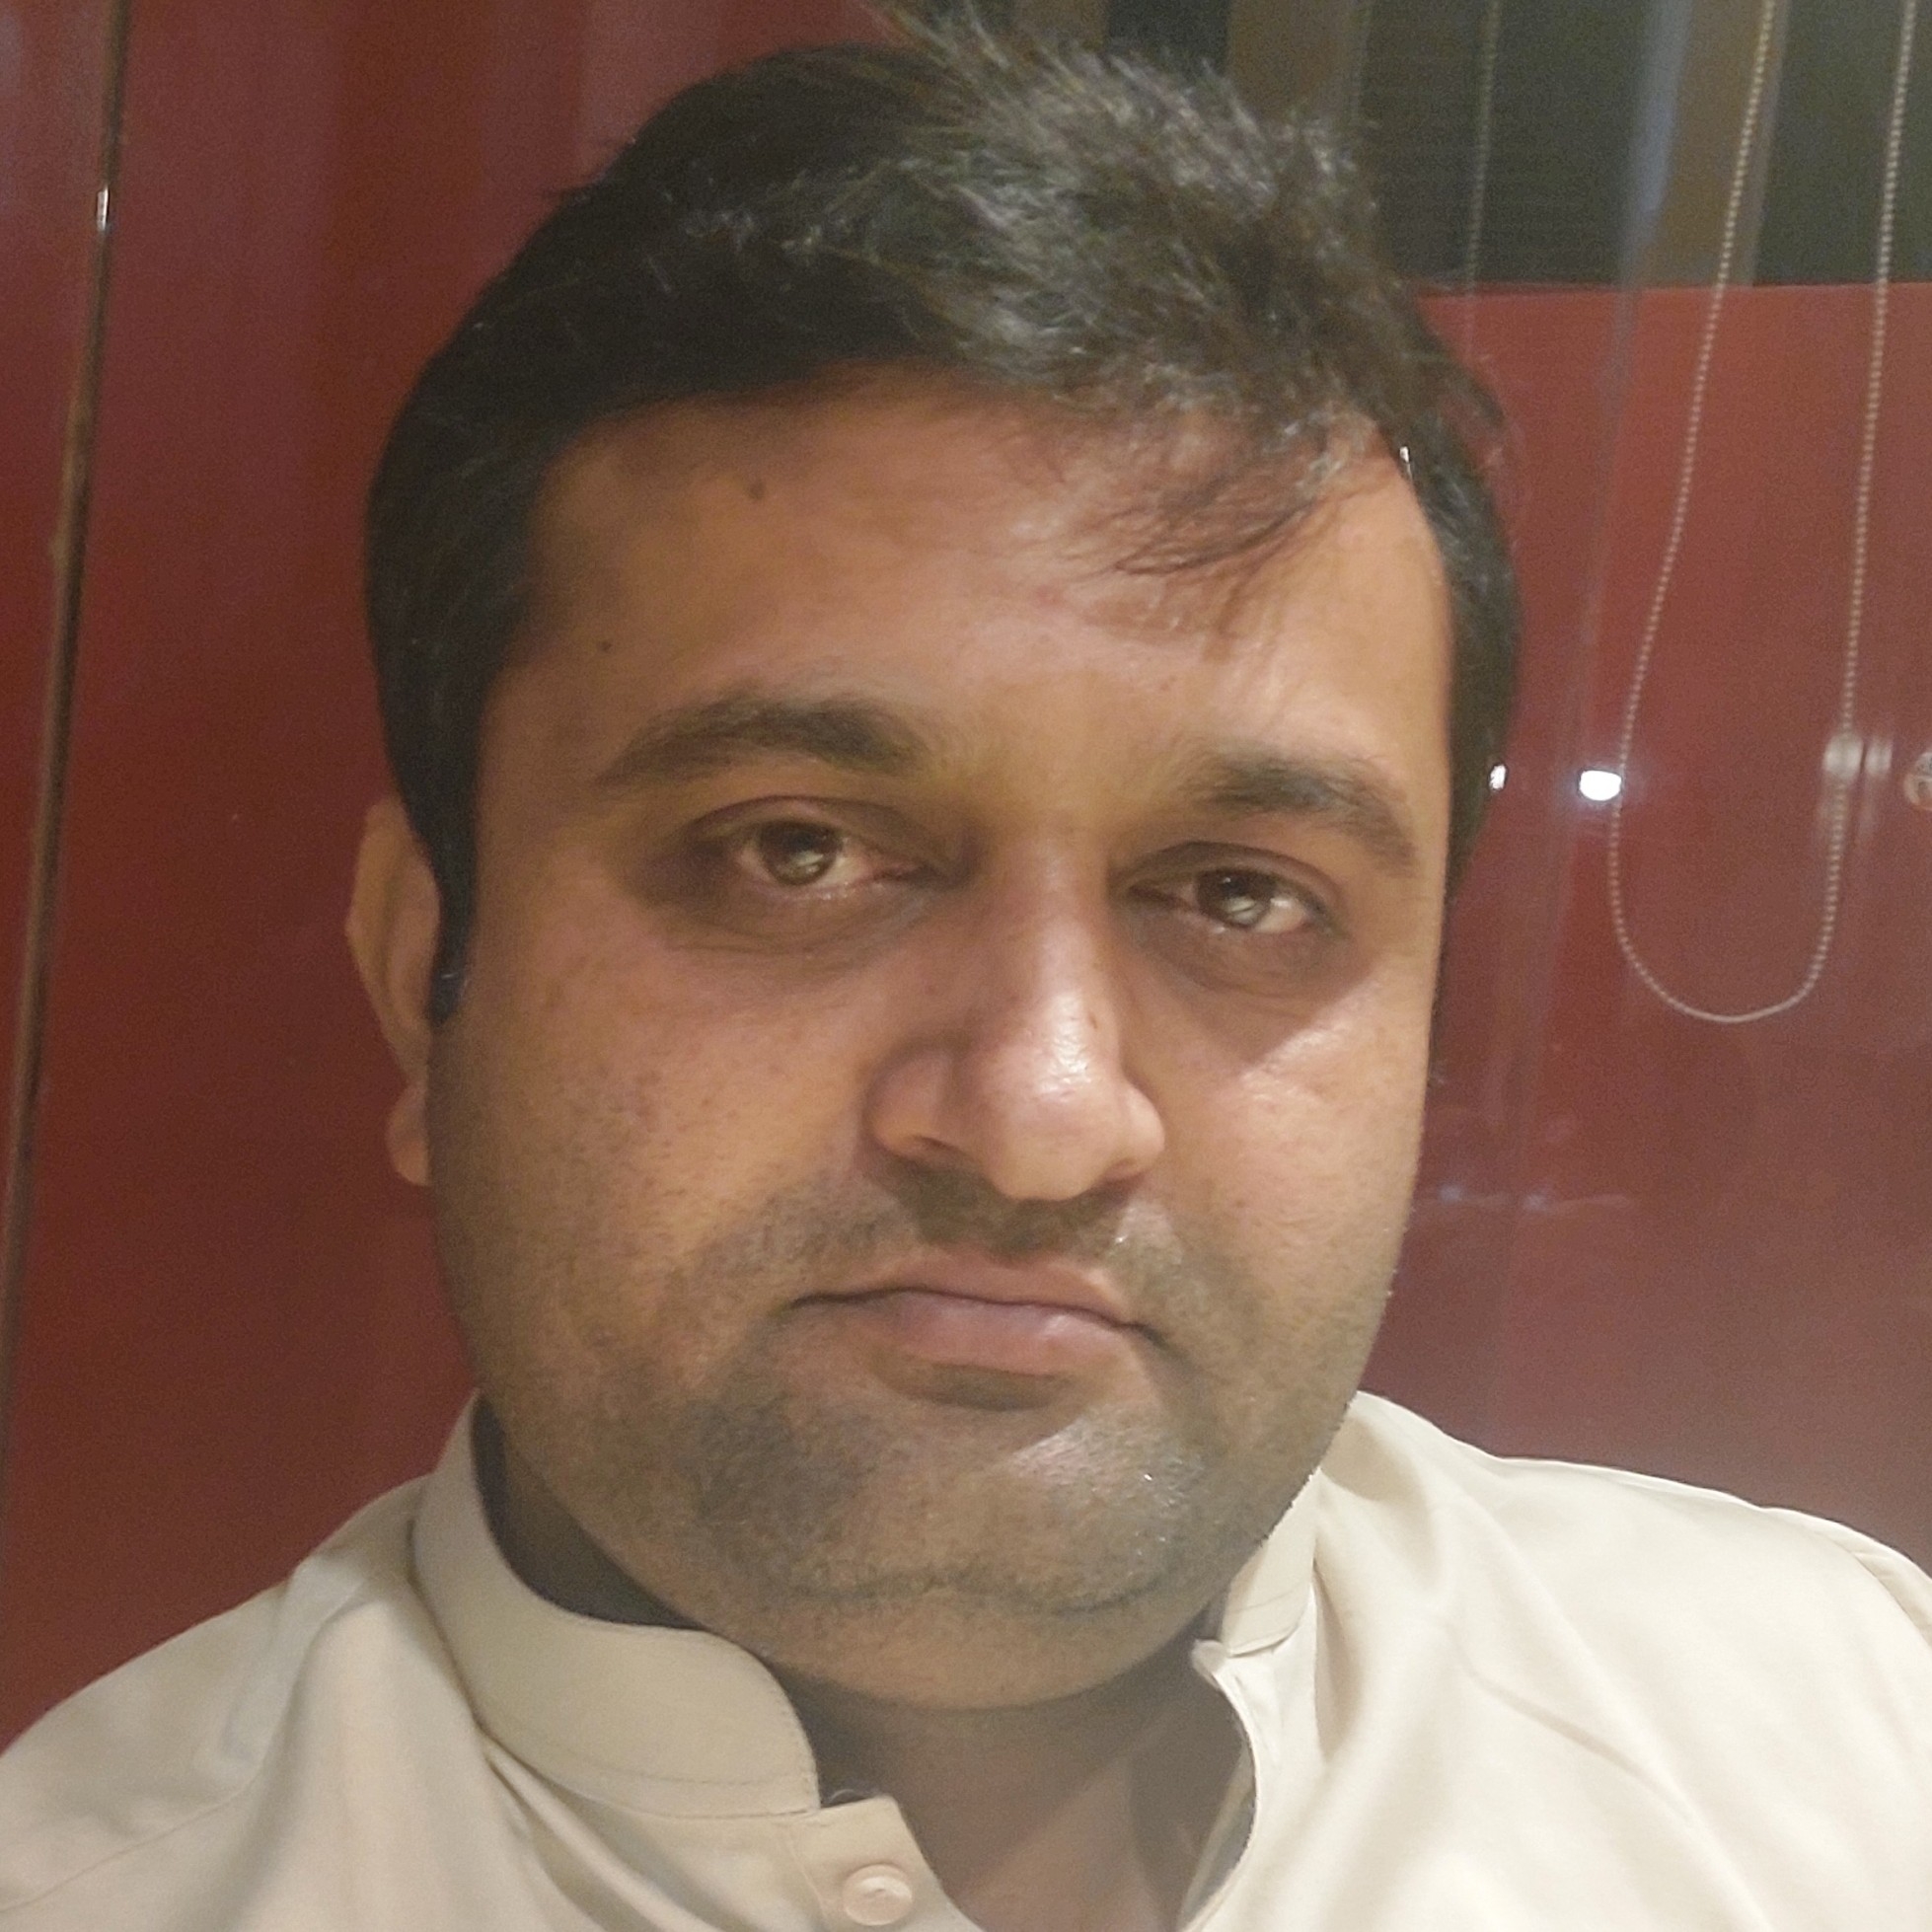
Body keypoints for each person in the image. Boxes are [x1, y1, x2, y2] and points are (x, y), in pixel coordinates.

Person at [2, 18, 1928, 1931]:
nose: (1039, 1116)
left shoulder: (1840, 1746)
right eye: (796, 851)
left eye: (1240, 893)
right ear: (429, 970)